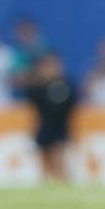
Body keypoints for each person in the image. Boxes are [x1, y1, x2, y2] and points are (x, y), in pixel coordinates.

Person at [22, 52, 77, 182]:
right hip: (44, 125)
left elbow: (67, 105)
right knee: (44, 159)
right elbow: (34, 102)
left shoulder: (64, 84)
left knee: (58, 157)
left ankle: (62, 181)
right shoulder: (39, 86)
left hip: (59, 125)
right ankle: (47, 181)